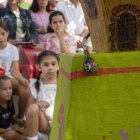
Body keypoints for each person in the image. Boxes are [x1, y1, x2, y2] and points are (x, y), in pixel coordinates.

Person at [25, 50, 59, 140]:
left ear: (58, 66)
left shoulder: (63, 84)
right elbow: (29, 109)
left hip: (60, 122)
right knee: (33, 107)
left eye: (53, 64)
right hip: (45, 123)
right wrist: (37, 104)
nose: (50, 68)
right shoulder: (36, 85)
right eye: (46, 65)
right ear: (39, 68)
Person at [0, 20, 29, 119]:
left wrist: (21, 79)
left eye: (3, 34)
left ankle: (19, 117)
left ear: (8, 33)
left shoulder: (13, 49)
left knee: (24, 91)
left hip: (7, 77)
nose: (0, 37)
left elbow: (15, 72)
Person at [0, 76, 26, 140]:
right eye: (4, 89)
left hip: (9, 129)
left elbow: (10, 118)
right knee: (12, 134)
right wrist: (13, 131)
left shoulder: (10, 103)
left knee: (25, 129)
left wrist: (18, 121)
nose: (8, 91)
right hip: (2, 133)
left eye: (10, 88)